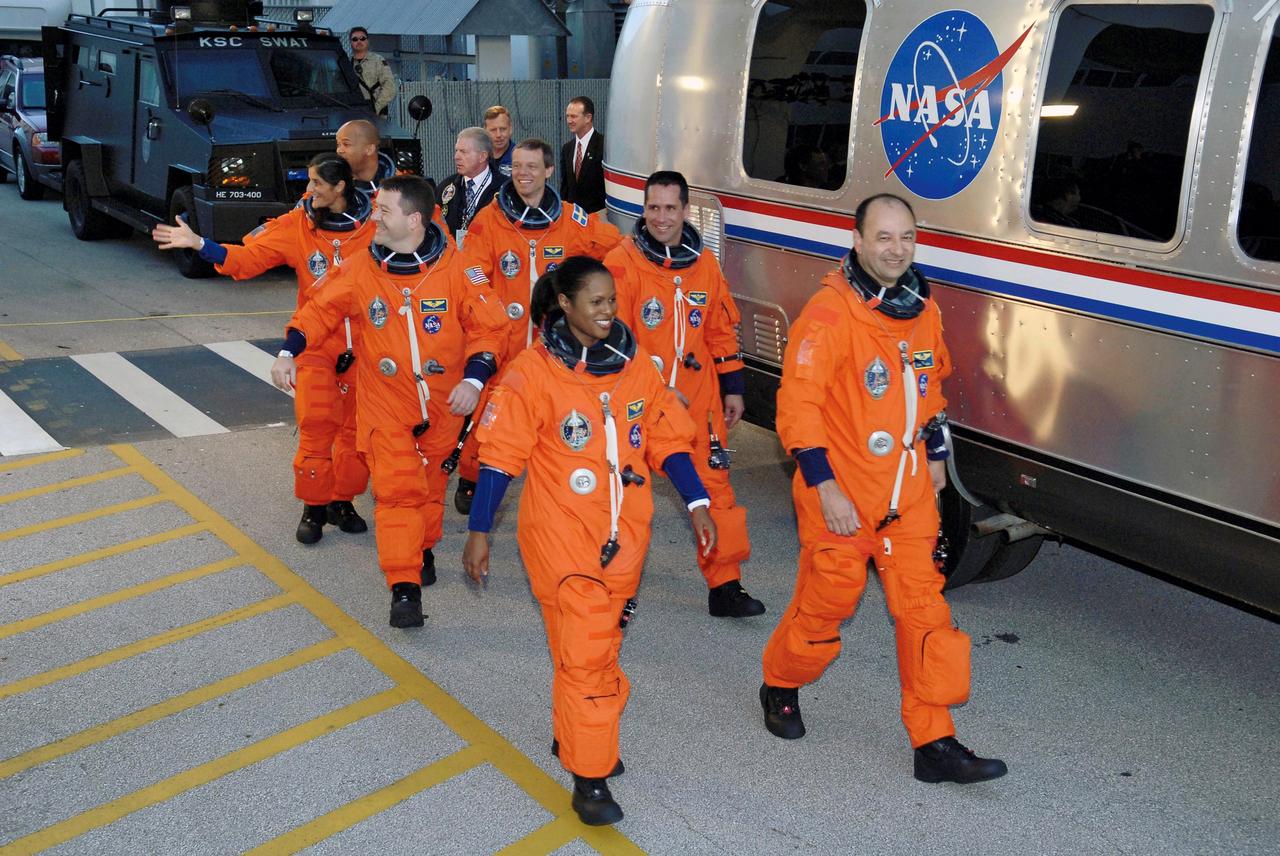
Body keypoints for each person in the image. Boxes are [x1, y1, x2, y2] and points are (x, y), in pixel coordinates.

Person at [758, 193, 1008, 785]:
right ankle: (781, 681)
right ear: (858, 241)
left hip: (908, 498)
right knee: (828, 606)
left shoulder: (923, 308)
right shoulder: (829, 314)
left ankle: (935, 742)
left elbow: (932, 393)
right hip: (841, 499)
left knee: (925, 614)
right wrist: (825, 488)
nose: (897, 250)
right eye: (884, 238)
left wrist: (939, 460)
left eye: (907, 238)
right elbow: (798, 409)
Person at [461, 257, 717, 825]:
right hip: (559, 537)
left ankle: (574, 733)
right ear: (566, 307)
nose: (607, 311)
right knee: (586, 654)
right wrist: (479, 532)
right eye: (595, 302)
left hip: (624, 537)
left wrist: (698, 502)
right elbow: (499, 459)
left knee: (596, 648)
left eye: (611, 301)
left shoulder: (637, 368)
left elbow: (668, 441)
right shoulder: (532, 373)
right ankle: (590, 776)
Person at [270, 176, 508, 628]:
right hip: (385, 406)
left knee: (431, 488)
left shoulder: (459, 270)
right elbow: (317, 312)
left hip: (445, 406)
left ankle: (422, 549)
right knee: (398, 493)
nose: (373, 217)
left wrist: (475, 382)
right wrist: (288, 352)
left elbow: (493, 329)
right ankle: (404, 588)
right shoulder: (360, 269)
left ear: (415, 219)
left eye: (384, 211)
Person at [153, 153, 373, 544]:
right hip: (316, 344)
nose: (309, 191)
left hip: (368, 351)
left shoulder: (375, 226)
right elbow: (247, 258)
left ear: (340, 188)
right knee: (317, 429)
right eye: (308, 182)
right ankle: (314, 507)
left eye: (317, 184)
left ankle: (342, 500)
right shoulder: (297, 226)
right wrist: (199, 243)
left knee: (357, 437)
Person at [605, 170, 765, 619]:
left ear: (685, 210)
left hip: (699, 405)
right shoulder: (624, 263)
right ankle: (612, 589)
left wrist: (733, 386)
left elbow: (720, 331)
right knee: (623, 498)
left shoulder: (705, 265)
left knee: (716, 492)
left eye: (670, 208)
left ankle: (726, 585)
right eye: (652, 208)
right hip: (640, 404)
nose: (660, 217)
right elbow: (613, 338)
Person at [451, 138, 622, 512]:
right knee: (491, 410)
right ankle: (472, 476)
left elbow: (614, 251)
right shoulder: (490, 219)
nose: (522, 174)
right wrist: (491, 313)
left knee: (558, 411)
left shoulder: (571, 220)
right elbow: (472, 271)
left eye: (531, 166)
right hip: (506, 338)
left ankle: (558, 478)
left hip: (552, 344)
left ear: (548, 171)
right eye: (516, 166)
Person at [437, 128, 500, 245]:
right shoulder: (446, 187)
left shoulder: (504, 189)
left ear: (482, 156)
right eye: (456, 150)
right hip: (455, 259)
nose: (456, 157)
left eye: (463, 152)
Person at [559, 96, 606, 215]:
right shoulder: (567, 149)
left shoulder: (604, 146)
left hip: (597, 219)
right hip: (573, 219)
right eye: (567, 116)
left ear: (588, 118)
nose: (569, 121)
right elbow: (565, 187)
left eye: (574, 116)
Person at [335, 120, 398, 195]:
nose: (339, 150)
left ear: (369, 149)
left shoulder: (401, 185)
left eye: (346, 144)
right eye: (338, 145)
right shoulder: (330, 186)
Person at [348, 27, 396, 117]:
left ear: (368, 41)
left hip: (377, 115)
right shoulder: (346, 63)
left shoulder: (378, 61)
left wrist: (375, 108)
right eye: (355, 39)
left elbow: (390, 87)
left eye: (362, 38)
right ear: (350, 42)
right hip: (355, 114)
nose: (359, 41)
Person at [483, 105, 514, 179]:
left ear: (511, 129)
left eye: (503, 129)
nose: (498, 135)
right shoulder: (478, 157)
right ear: (485, 131)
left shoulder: (520, 157)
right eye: (493, 130)